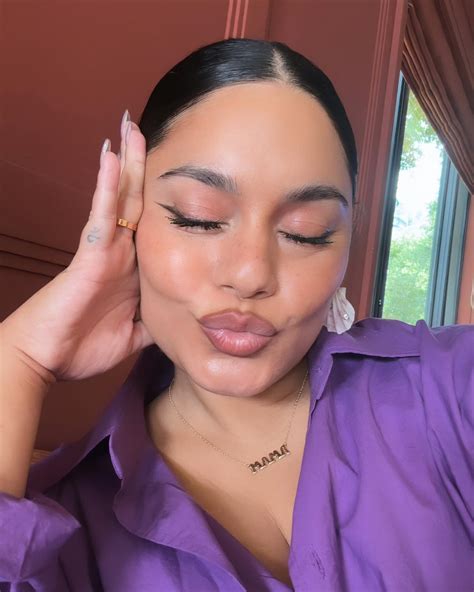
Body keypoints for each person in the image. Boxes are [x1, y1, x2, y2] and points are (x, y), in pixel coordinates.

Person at [0, 37, 472, 592]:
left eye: (306, 233)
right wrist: (18, 358)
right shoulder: (63, 529)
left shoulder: (448, 390)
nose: (250, 275)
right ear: (130, 210)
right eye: (199, 218)